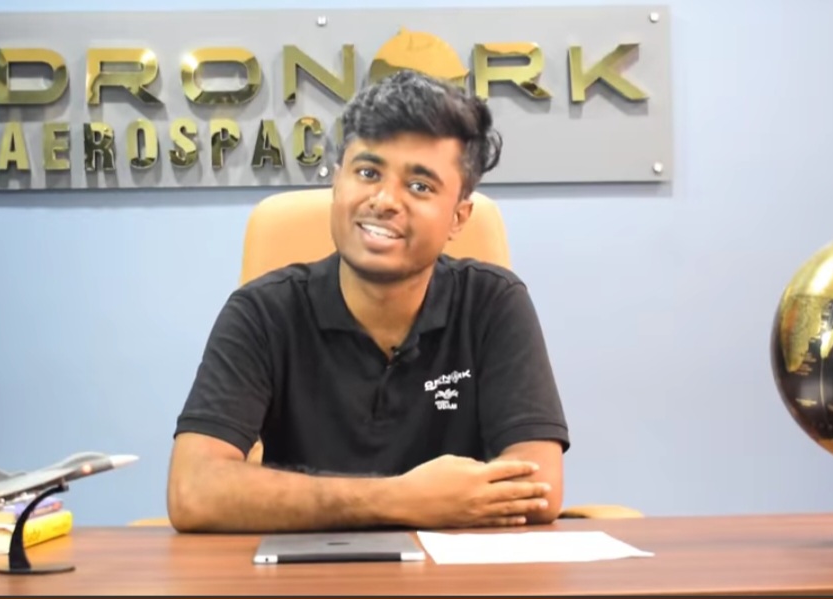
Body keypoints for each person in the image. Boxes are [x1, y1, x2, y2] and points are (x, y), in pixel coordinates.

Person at [166, 69, 569, 533]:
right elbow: (194, 490)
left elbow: (538, 487)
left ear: (459, 217)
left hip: (452, 568)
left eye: (420, 186)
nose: (384, 200)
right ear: (337, 182)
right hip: (306, 567)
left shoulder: (493, 303)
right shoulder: (262, 312)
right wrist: (402, 500)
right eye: (368, 173)